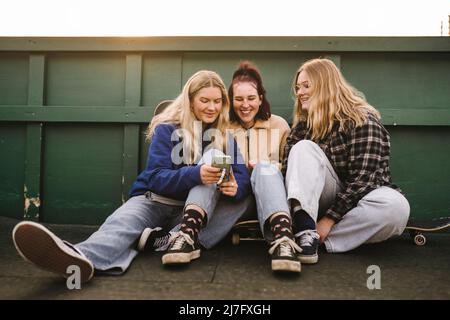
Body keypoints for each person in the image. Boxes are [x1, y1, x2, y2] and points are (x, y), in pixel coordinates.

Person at [12, 70, 250, 283]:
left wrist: (234, 187)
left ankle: (175, 237)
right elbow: (156, 177)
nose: (212, 107)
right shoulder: (167, 129)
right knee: (121, 225)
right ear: (190, 101)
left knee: (243, 198)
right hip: (154, 200)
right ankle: (79, 257)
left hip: (193, 213)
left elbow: (243, 180)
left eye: (217, 101)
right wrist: (196, 174)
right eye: (205, 100)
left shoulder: (226, 137)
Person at [282, 58, 410, 264]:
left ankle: (315, 238)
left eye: (306, 86)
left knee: (396, 208)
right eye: (298, 87)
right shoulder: (302, 128)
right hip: (317, 200)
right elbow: (290, 173)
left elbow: (364, 180)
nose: (299, 92)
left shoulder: (361, 120)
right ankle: (306, 229)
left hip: (359, 200)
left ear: (326, 85)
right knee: (303, 148)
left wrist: (329, 220)